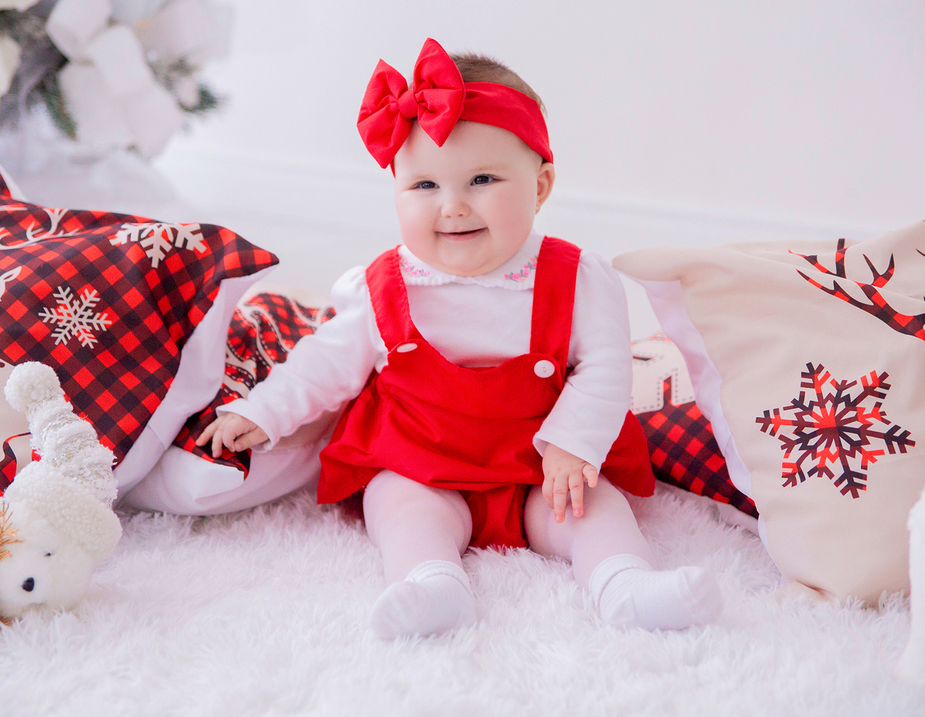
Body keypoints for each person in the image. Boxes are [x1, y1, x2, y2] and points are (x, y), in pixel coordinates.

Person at [197, 38, 722, 639]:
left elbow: (603, 367)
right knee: (397, 504)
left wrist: (574, 445)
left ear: (541, 184)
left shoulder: (576, 278)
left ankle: (624, 584)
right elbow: (327, 362)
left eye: (482, 179)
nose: (453, 207)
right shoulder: (383, 286)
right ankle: (432, 584)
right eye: (424, 186)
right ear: (394, 188)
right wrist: (263, 410)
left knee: (593, 506)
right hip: (422, 457)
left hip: (540, 465)